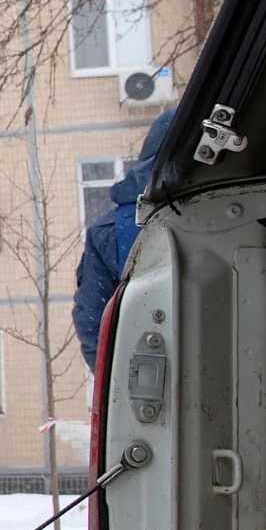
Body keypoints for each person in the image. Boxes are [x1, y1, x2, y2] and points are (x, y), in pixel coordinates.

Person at [73, 109, 175, 370]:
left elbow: (93, 320)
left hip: (154, 376)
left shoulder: (110, 229)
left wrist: (119, 389)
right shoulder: (245, 204)